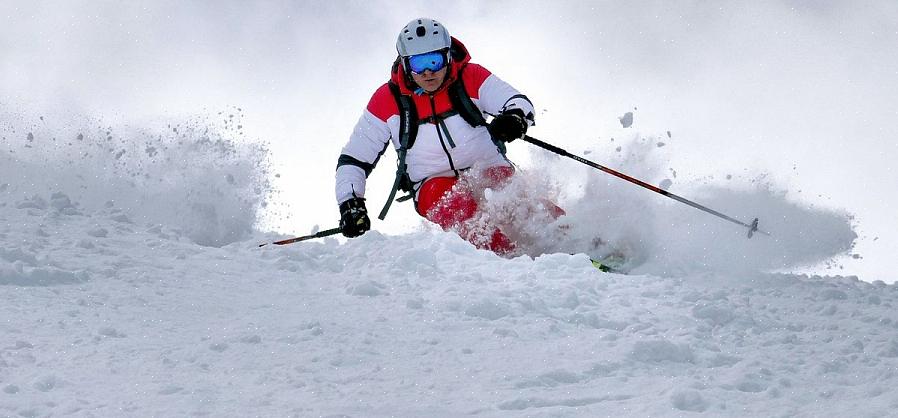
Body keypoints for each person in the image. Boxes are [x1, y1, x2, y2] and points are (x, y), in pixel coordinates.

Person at [335, 17, 556, 255]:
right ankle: (510, 261)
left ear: (447, 55)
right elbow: (354, 158)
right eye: (419, 64)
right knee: (460, 209)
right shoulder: (387, 100)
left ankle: (576, 242)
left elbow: (518, 102)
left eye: (434, 60)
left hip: (485, 165)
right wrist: (350, 202)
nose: (428, 72)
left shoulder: (469, 77)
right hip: (431, 181)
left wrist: (515, 118)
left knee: (520, 202)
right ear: (405, 64)